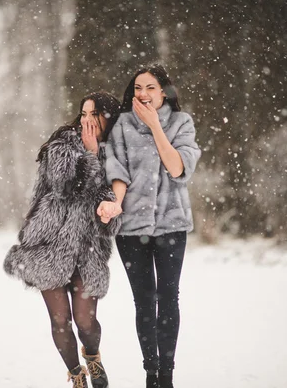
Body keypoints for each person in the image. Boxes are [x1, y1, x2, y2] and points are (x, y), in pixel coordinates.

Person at [4, 91, 122, 388]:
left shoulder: (117, 155)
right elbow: (64, 187)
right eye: (83, 114)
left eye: (93, 114)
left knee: (85, 321)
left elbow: (112, 207)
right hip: (48, 245)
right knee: (60, 321)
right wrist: (90, 155)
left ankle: (92, 356)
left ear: (107, 118)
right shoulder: (61, 146)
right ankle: (77, 375)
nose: (86, 121)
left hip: (88, 248)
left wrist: (109, 213)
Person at [98, 65, 201, 388]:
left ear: (164, 92)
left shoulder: (182, 124)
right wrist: (115, 202)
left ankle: (166, 376)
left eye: (151, 87)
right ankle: (151, 374)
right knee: (144, 300)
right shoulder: (122, 126)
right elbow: (118, 170)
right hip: (131, 229)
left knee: (168, 297)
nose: (142, 93)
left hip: (171, 226)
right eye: (138, 87)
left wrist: (155, 126)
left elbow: (177, 168)